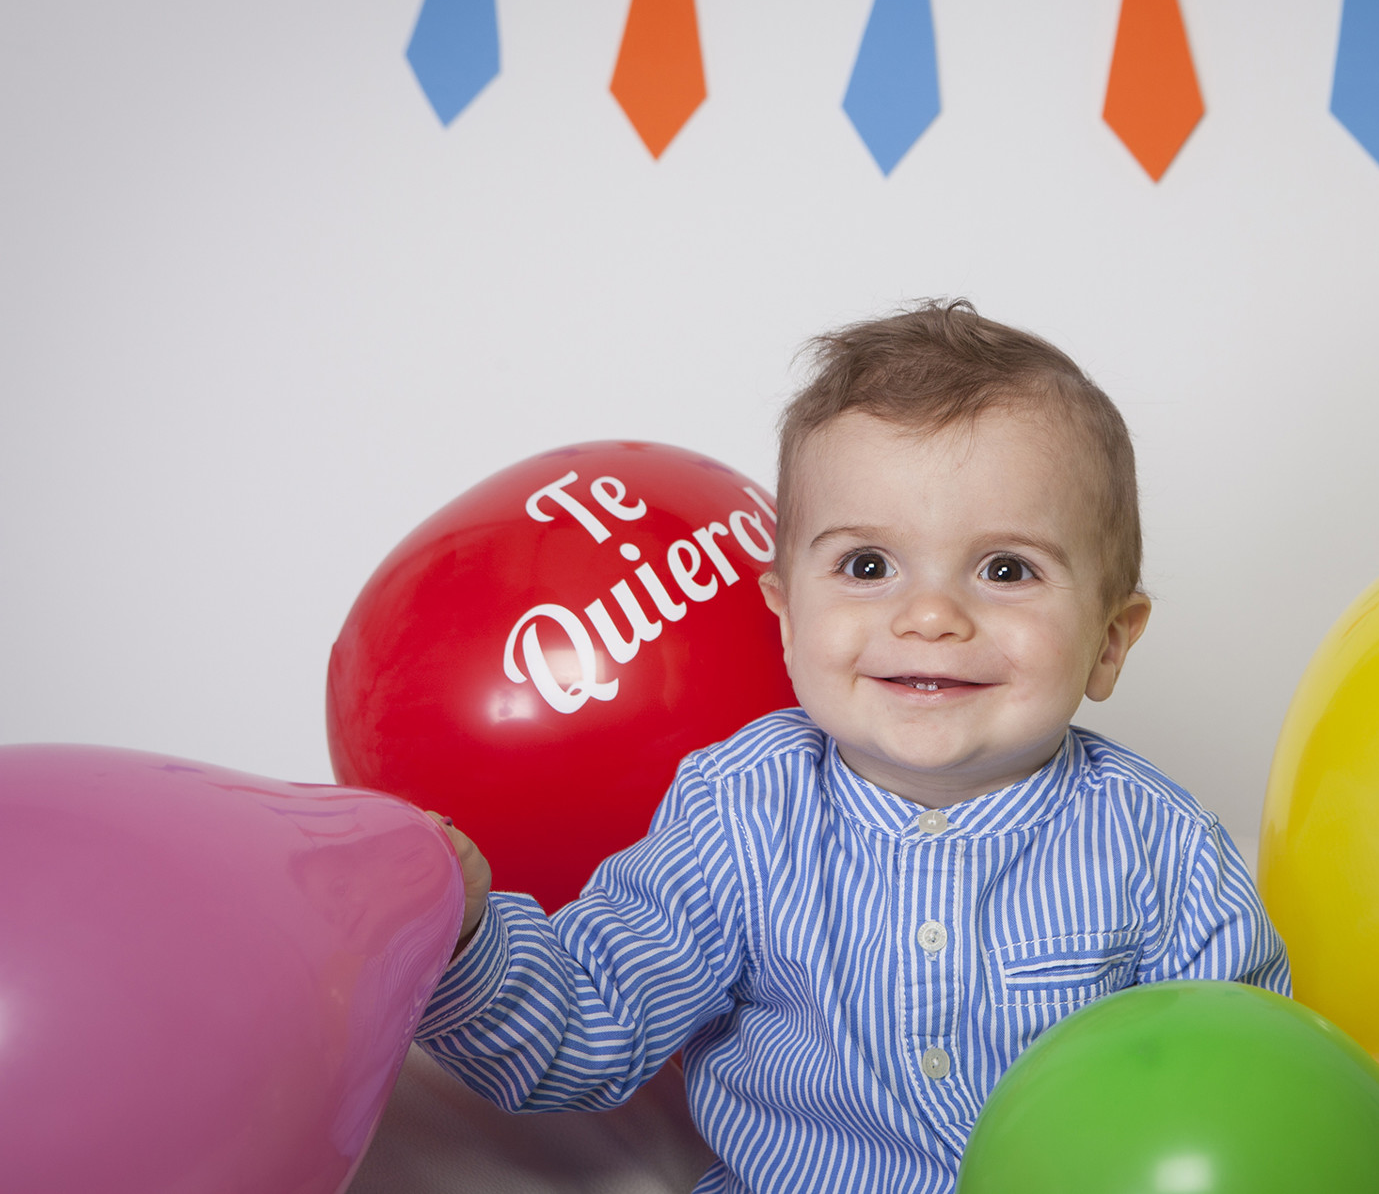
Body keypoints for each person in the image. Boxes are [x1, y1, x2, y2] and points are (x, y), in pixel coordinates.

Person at [417, 300, 1288, 1193]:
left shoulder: (1166, 850)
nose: (930, 616)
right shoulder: (740, 812)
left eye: (1007, 568)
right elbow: (590, 1023)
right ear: (787, 618)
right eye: (867, 566)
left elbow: (1253, 1093)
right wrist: (463, 937)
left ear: (1110, 638)